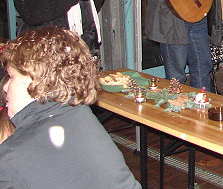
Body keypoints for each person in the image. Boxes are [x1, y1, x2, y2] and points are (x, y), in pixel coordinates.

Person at [0, 26, 141, 189]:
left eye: (12, 77)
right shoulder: (79, 114)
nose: (5, 87)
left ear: (37, 82)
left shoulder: (11, 157)